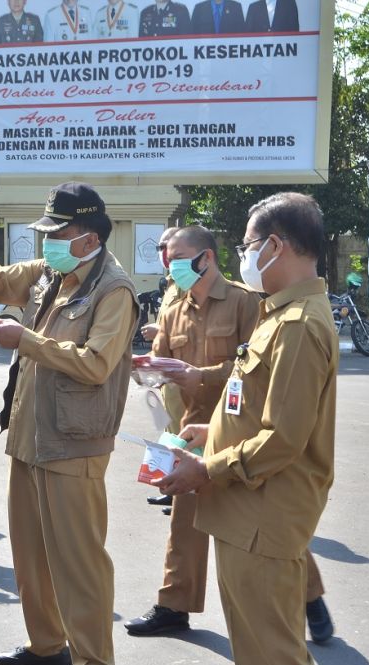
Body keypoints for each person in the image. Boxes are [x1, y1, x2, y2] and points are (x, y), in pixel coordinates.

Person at [153, 193, 334, 665]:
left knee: (277, 662)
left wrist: (207, 468)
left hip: (266, 515)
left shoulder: (301, 325)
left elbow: (284, 440)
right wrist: (214, 431)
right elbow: (258, 411)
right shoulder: (280, 315)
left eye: (251, 245)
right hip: (245, 513)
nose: (247, 255)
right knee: (257, 659)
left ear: (277, 246)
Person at [0, 183, 136, 665]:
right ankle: (47, 646)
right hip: (30, 434)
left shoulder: (113, 290)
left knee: (78, 561)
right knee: (30, 554)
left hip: (74, 441)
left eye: (58, 233)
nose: (49, 241)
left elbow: (97, 362)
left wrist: (24, 340)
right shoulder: (54, 272)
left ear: (87, 238)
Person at [124, 225, 334, 643]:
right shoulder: (173, 306)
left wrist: (199, 375)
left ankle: (309, 595)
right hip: (190, 426)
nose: (170, 263)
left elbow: (257, 368)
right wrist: (148, 368)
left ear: (207, 258)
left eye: (178, 255)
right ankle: (173, 605)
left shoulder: (244, 302)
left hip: (240, 427)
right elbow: (164, 357)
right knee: (183, 520)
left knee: (263, 526)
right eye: (166, 256)